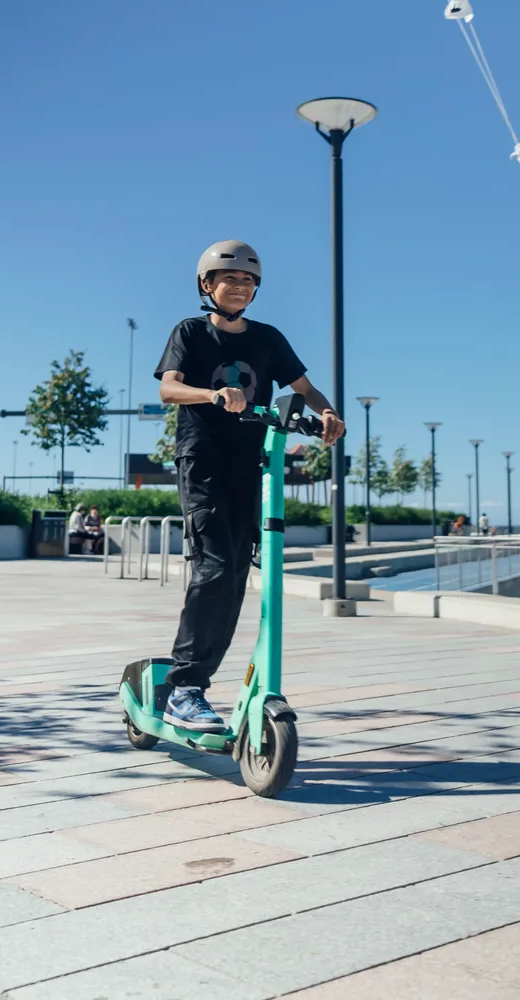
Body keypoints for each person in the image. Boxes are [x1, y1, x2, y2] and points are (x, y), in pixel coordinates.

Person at [155, 240, 344, 733]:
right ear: (206, 285)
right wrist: (212, 394)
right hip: (203, 461)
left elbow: (303, 388)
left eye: (248, 282)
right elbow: (168, 388)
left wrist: (325, 411)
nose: (239, 288)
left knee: (237, 573)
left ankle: (193, 683)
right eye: (230, 280)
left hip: (251, 465)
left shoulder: (268, 338)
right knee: (215, 567)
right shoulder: (191, 332)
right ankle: (183, 688)